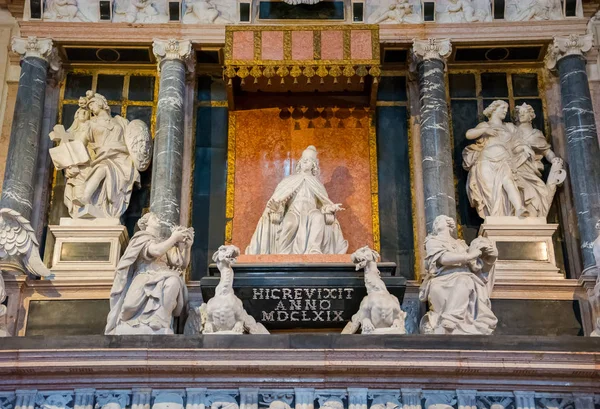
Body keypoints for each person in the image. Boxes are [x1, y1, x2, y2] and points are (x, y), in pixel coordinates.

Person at [245, 145, 348, 255]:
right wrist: (277, 208)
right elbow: (282, 201)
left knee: (318, 218)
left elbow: (322, 204)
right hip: (293, 211)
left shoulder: (317, 184)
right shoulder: (289, 180)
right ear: (299, 163)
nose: (305, 162)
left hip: (311, 211)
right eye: (303, 160)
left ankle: (314, 249)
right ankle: (282, 252)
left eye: (308, 161)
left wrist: (330, 208)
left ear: (314, 165)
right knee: (289, 222)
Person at [105, 212, 193, 335]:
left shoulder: (163, 242)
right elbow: (155, 251)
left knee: (173, 281)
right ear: (146, 223)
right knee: (129, 308)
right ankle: (135, 322)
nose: (158, 219)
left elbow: (182, 264)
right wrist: (174, 238)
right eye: (153, 217)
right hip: (145, 275)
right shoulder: (141, 237)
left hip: (163, 275)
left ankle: (160, 320)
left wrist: (187, 247)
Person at [63, 91, 147, 219]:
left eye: (93, 104)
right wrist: (69, 164)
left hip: (122, 158)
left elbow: (133, 140)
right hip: (103, 157)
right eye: (89, 106)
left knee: (104, 168)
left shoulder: (121, 122)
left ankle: (88, 198)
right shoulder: (90, 124)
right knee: (103, 167)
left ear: (101, 103)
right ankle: (86, 198)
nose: (91, 108)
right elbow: (78, 144)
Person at [419, 215, 498, 335]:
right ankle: (450, 319)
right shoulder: (432, 241)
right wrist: (468, 256)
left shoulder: (460, 244)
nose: (437, 222)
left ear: (450, 225)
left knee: (466, 280)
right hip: (443, 278)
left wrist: (489, 255)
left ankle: (449, 320)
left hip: (464, 275)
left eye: (440, 220)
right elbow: (443, 258)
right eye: (437, 221)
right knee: (465, 281)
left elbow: (475, 266)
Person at [462, 100, 529, 218]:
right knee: (490, 189)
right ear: (494, 109)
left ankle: (519, 208)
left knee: (509, 181)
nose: (505, 111)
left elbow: (515, 146)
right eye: (502, 108)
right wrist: (484, 131)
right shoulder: (485, 125)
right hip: (485, 160)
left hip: (504, 159)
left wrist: (523, 147)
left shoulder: (509, 127)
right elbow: (469, 134)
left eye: (506, 109)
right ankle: (495, 216)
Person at [514, 103, 565, 217]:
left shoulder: (536, 133)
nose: (521, 114)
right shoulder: (511, 132)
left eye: (524, 112)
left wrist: (554, 160)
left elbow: (547, 151)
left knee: (534, 192)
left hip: (531, 168)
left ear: (531, 116)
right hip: (514, 167)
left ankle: (531, 214)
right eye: (519, 113)